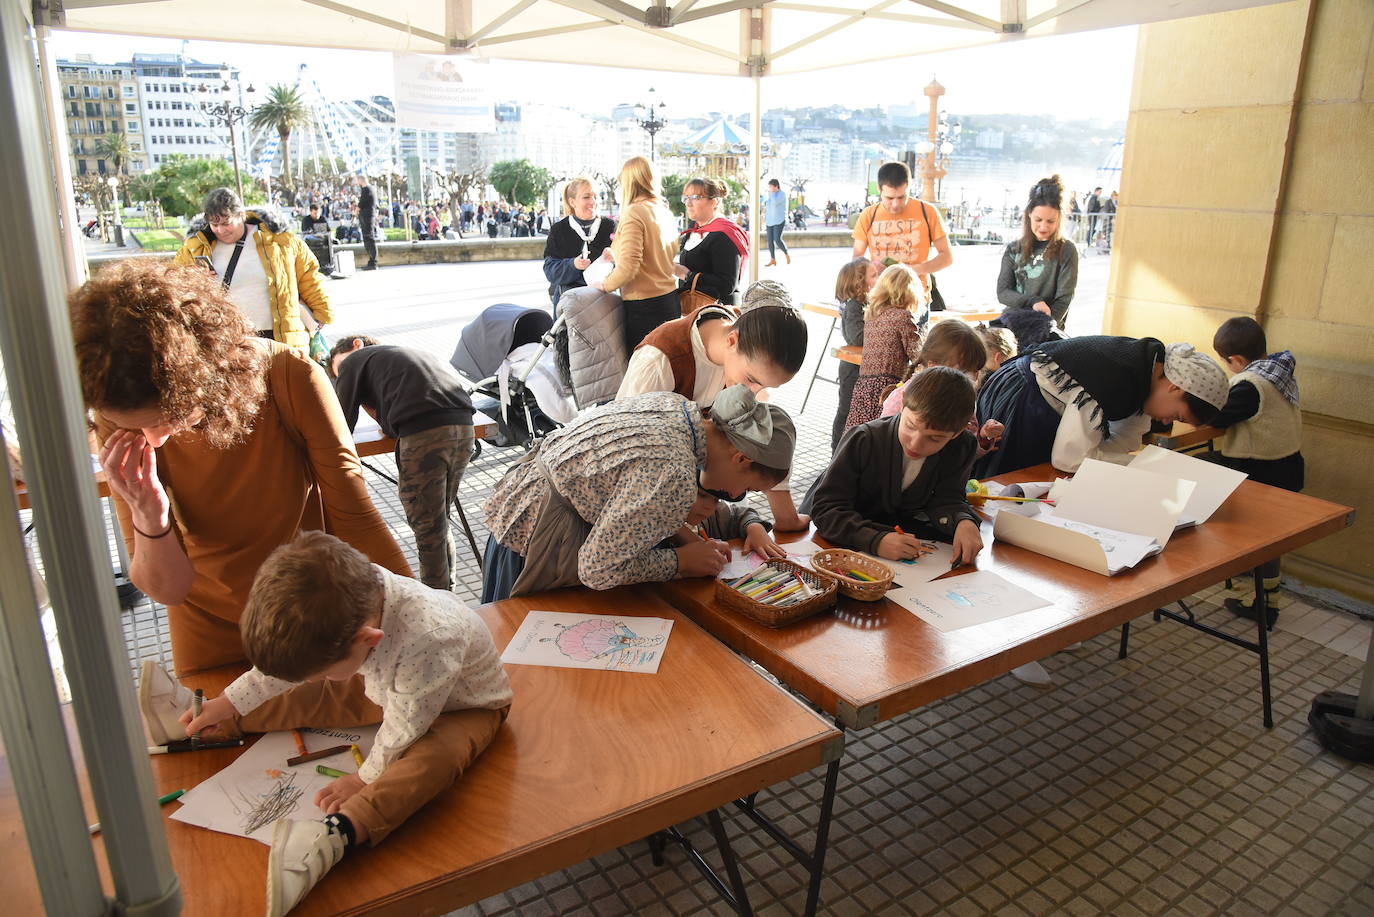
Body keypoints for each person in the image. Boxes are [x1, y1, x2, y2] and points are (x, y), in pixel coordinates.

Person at [69, 259, 411, 681]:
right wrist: (149, 514)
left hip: (315, 615)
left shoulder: (288, 376)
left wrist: (419, 615)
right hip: (214, 636)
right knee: (208, 728)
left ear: (201, 376)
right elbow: (168, 589)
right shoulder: (118, 417)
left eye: (165, 419)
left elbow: (356, 519)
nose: (152, 440)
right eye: (133, 426)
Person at [179, 531, 512, 917]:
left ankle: (337, 833)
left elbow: (404, 728)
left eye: (327, 670)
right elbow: (283, 674)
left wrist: (363, 778)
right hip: (392, 684)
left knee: (433, 759)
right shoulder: (353, 599)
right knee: (303, 683)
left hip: (462, 707)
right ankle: (215, 723)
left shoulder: (430, 638)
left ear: (367, 639)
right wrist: (227, 702)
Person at [481, 386, 795, 602]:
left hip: (521, 505)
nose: (734, 494)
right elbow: (597, 570)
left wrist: (684, 539)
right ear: (742, 458)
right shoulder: (674, 472)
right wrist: (680, 562)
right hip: (537, 540)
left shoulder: (675, 408)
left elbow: (627, 495)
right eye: (748, 489)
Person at [616, 303, 811, 533]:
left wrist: (781, 518)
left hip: (692, 502)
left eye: (765, 386)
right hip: (644, 509)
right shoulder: (660, 358)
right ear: (732, 341)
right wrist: (684, 537)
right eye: (751, 379)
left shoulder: (742, 353)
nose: (753, 393)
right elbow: (627, 457)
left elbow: (764, 444)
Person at [328, 337, 476, 592]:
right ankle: (446, 594)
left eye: (336, 368)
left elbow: (340, 425)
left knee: (427, 527)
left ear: (355, 345)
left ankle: (437, 603)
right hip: (464, 425)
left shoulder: (353, 362)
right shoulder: (396, 357)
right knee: (437, 520)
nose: (339, 375)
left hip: (425, 433)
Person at [972, 336, 1229, 478]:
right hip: (1022, 398)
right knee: (1008, 479)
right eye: (1176, 414)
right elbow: (1069, 459)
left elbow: (1123, 443)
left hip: (1044, 403)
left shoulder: (1145, 374)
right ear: (1176, 387)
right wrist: (1146, 467)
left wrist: (1132, 462)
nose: (1165, 420)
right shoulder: (1114, 377)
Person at [810, 366, 984, 565]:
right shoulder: (865, 439)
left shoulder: (961, 446)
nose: (915, 443)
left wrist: (963, 521)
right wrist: (875, 540)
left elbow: (948, 497)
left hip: (903, 550)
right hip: (843, 546)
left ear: (958, 432)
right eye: (910, 426)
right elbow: (826, 510)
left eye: (935, 439)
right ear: (902, 406)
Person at [1210, 317, 1305, 624]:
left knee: (1247, 537)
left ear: (1235, 360)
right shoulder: (1279, 372)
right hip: (1288, 466)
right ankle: (1269, 601)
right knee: (1270, 541)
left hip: (1260, 470)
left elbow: (1218, 417)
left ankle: (1254, 602)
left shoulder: (1250, 384)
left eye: (1226, 364)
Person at [172, 187, 332, 357]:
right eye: (214, 225)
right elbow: (174, 285)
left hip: (280, 336)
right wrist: (196, 281)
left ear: (241, 215)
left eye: (226, 223)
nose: (220, 230)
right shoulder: (194, 248)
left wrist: (322, 313)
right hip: (229, 341)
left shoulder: (280, 239)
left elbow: (308, 275)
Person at [592, 156, 681, 349]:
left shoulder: (634, 212)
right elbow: (662, 253)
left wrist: (605, 285)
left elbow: (629, 267)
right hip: (669, 299)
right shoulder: (664, 211)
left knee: (643, 373)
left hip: (644, 306)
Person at [850, 161, 952, 300]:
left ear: (909, 187)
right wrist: (872, 266)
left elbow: (947, 257)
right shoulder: (869, 214)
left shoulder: (927, 211)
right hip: (880, 296)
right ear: (879, 189)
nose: (895, 204)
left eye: (901, 197)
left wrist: (911, 271)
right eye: (889, 198)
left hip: (916, 296)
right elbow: (857, 257)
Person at [844, 264, 926, 432]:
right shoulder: (903, 317)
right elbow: (918, 355)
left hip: (864, 387)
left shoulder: (873, 316)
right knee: (883, 436)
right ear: (911, 291)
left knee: (860, 435)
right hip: (887, 389)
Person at [997, 175, 1079, 330]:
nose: (1043, 227)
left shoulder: (1067, 250)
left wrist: (1043, 327)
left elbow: (1063, 300)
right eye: (1038, 220)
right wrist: (1033, 301)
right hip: (1012, 324)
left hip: (1046, 329)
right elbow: (1003, 292)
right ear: (1029, 215)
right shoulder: (1014, 249)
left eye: (1050, 221)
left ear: (1060, 218)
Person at [542, 177, 615, 307]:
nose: (593, 201)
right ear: (572, 202)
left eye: (596, 196)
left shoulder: (609, 226)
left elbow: (627, 265)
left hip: (605, 302)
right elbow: (550, 270)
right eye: (586, 197)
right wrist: (573, 265)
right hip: (570, 305)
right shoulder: (559, 229)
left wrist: (615, 257)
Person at [676, 176, 748, 307]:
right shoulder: (694, 228)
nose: (688, 203)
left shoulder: (724, 235)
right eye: (686, 198)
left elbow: (727, 285)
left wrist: (687, 275)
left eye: (695, 197)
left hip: (717, 315)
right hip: (693, 311)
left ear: (713, 202)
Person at [831, 258, 878, 450]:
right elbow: (857, 337)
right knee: (846, 412)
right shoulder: (853, 305)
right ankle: (836, 452)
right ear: (860, 282)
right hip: (852, 368)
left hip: (860, 367)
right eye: (874, 275)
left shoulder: (863, 304)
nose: (879, 278)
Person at [763, 179, 790, 267]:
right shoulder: (770, 194)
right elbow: (767, 206)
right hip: (769, 221)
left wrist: (771, 193)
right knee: (770, 241)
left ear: (776, 186)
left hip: (779, 220)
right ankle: (773, 259)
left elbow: (774, 203)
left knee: (777, 240)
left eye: (770, 186)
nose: (769, 188)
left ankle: (786, 253)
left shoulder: (782, 194)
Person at [356, 174, 378, 271]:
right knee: (368, 238)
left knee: (369, 238)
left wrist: (356, 211)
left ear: (361, 180)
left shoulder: (366, 190)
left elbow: (361, 203)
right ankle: (372, 261)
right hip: (368, 216)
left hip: (367, 217)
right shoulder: (371, 189)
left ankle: (373, 262)